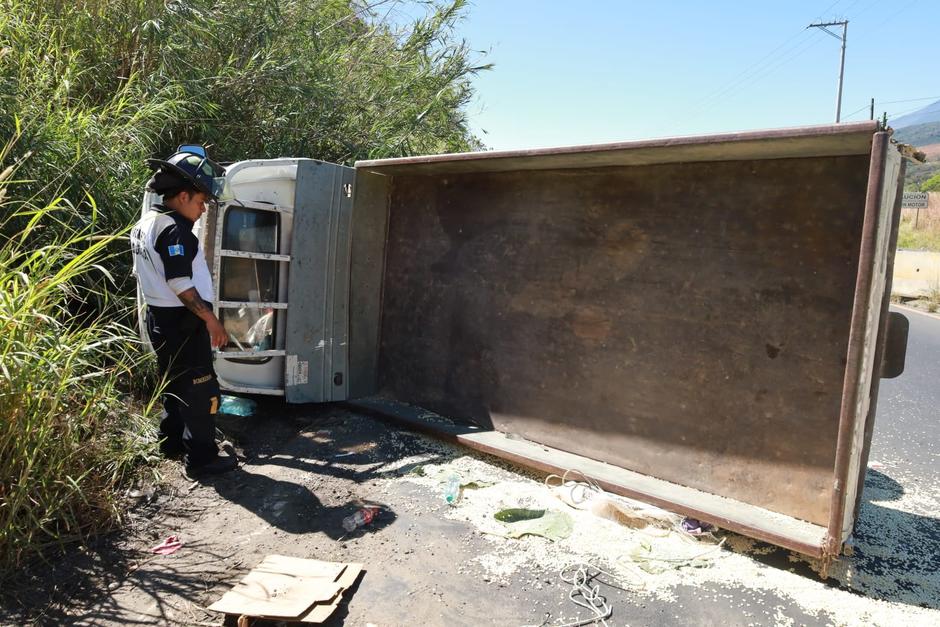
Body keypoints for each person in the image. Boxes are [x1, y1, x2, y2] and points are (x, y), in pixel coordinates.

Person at [131, 148, 237, 477]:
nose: (203, 208)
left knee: (175, 384)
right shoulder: (175, 229)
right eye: (200, 201)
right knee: (202, 390)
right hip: (183, 323)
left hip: (160, 319)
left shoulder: (146, 222)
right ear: (182, 195)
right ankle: (201, 459)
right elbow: (180, 283)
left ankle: (171, 441)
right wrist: (212, 321)